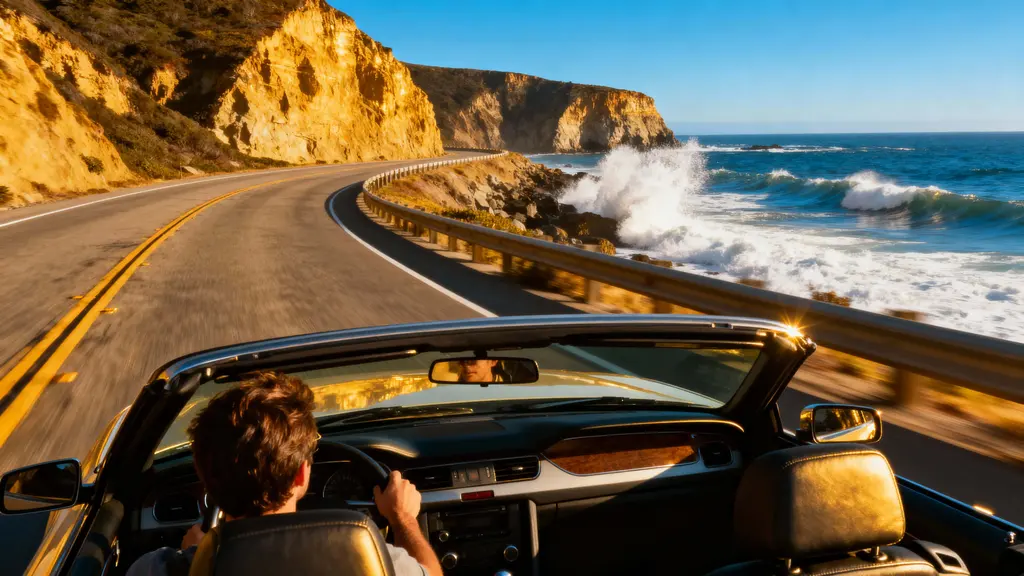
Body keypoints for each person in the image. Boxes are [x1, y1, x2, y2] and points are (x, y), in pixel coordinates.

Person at [127, 372, 442, 576]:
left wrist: (193, 555)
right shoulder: (373, 558)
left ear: (203, 476)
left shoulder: (158, 569)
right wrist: (403, 518)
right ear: (302, 475)